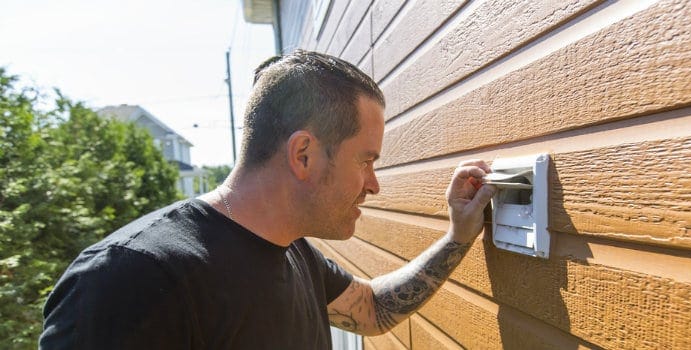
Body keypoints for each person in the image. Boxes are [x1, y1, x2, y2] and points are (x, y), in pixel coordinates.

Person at [39, 50, 497, 349]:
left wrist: (458, 235)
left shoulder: (293, 250)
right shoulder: (129, 277)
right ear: (303, 154)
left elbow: (374, 310)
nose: (373, 184)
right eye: (365, 160)